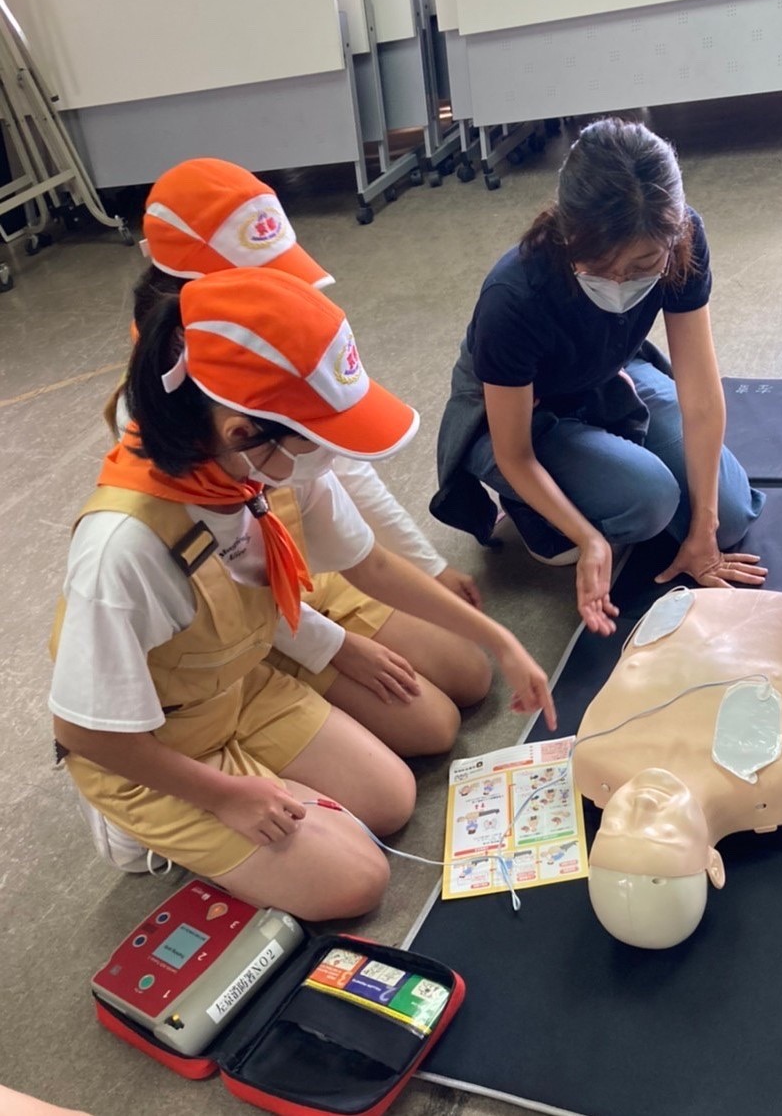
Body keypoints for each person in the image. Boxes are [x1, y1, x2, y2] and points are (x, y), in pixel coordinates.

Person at [49, 267, 554, 921]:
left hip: (237, 680)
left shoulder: (260, 468)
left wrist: (500, 639)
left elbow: (370, 567)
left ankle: (265, 780)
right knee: (358, 879)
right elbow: (84, 731)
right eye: (318, 440)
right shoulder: (125, 548)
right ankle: (137, 822)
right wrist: (227, 795)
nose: (332, 458)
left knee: (395, 795)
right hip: (151, 744)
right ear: (240, 432)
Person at [118, 158, 491, 767]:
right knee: (428, 727)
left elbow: (339, 473)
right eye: (257, 279)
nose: (284, 294)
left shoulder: (262, 363)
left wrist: (426, 567)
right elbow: (229, 591)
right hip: (247, 615)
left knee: (470, 673)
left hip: (297, 567)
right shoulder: (164, 418)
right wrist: (334, 646)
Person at [432, 118, 767, 635]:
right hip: (519, 413)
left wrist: (704, 527)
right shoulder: (514, 295)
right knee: (650, 500)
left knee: (730, 514)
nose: (618, 282)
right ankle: (532, 511)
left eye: (641, 266)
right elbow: (513, 451)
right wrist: (588, 539)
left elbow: (700, 397)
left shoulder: (684, 239)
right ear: (568, 233)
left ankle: (601, 466)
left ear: (673, 234)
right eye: (600, 267)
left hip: (609, 372)